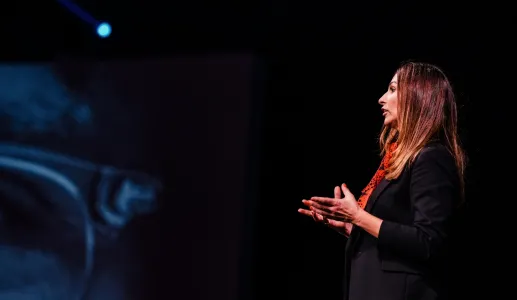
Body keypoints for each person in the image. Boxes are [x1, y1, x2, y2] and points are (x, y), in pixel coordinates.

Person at [298, 61, 466, 300]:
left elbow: (428, 241)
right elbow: (396, 234)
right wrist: (353, 228)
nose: (381, 98)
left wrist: (358, 216)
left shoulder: (431, 158)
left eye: (393, 89)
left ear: (417, 97)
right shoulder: (396, 159)